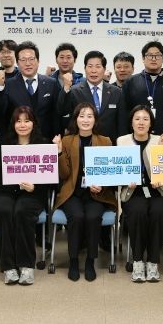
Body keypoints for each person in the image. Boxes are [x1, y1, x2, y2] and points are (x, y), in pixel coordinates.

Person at [0, 106, 52, 285]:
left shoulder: (43, 144)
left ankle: (26, 265)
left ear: (34, 123)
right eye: (18, 121)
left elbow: (51, 177)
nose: (22, 125)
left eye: (27, 121)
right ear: (13, 124)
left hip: (32, 193)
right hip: (6, 191)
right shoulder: (5, 142)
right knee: (3, 210)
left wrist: (35, 187)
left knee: (22, 211)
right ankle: (8, 266)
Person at [55, 103, 116, 281]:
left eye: (90, 116)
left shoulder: (105, 141)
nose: (85, 120)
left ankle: (90, 260)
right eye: (81, 116)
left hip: (96, 194)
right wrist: (59, 152)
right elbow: (64, 174)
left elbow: (111, 172)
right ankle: (73, 260)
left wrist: (102, 185)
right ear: (76, 119)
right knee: (77, 217)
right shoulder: (67, 141)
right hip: (72, 192)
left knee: (93, 217)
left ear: (95, 120)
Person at [117, 105, 163, 282]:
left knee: (158, 213)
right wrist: (125, 180)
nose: (141, 122)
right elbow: (117, 170)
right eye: (137, 119)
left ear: (151, 123)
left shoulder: (160, 140)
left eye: (145, 119)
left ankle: (152, 262)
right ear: (131, 122)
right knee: (138, 212)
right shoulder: (122, 141)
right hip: (133, 191)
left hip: (159, 191)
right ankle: (137, 261)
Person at [122, 41, 163, 142]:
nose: (153, 59)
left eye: (157, 55)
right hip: (138, 137)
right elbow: (125, 112)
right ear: (143, 58)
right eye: (150, 55)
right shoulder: (131, 81)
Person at [4, 41, 64, 140]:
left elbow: (57, 114)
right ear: (17, 63)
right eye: (23, 60)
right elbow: (4, 116)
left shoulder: (51, 83)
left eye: (31, 59)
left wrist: (57, 137)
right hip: (18, 141)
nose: (28, 63)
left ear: (38, 61)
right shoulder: (9, 85)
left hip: (46, 140)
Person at [62, 51, 126, 143]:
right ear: (85, 68)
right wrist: (66, 88)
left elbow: (122, 123)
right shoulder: (74, 91)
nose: (93, 71)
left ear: (104, 69)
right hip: (83, 143)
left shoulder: (116, 92)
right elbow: (63, 113)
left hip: (110, 145)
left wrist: (121, 144)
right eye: (90, 66)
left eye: (98, 66)